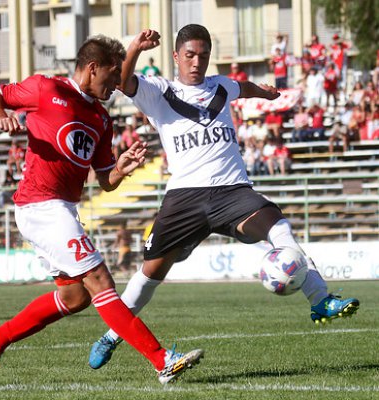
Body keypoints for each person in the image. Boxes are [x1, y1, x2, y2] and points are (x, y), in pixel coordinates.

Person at [87, 25, 359, 370]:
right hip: (184, 197)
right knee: (151, 272)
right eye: (189, 55)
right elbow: (124, 83)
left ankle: (320, 299)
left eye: (203, 55)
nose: (196, 62)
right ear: (176, 56)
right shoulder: (159, 91)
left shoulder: (221, 86)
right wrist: (135, 47)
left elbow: (241, 87)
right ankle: (111, 337)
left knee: (278, 225)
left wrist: (264, 93)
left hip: (232, 191)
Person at [0, 33, 203, 386]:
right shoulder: (45, 88)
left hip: (62, 208)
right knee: (100, 280)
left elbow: (104, 181)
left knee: (76, 295)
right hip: (40, 205)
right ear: (92, 68)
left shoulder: (101, 118)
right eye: (112, 77)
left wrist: (121, 169)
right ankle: (162, 361)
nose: (116, 85)